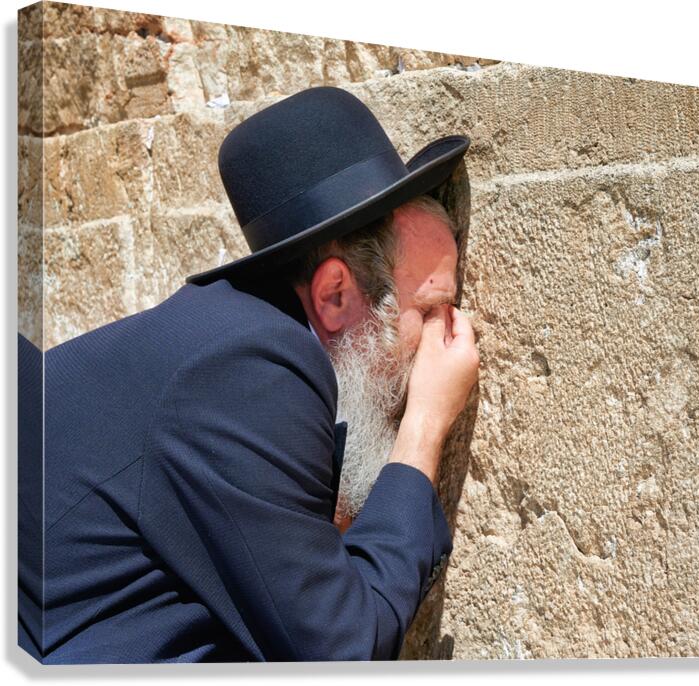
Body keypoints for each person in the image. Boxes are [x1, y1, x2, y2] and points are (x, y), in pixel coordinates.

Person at [19, 86, 479, 663]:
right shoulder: (254, 372)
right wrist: (424, 430)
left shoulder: (230, 338)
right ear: (335, 294)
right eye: (430, 309)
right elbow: (341, 653)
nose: (446, 336)